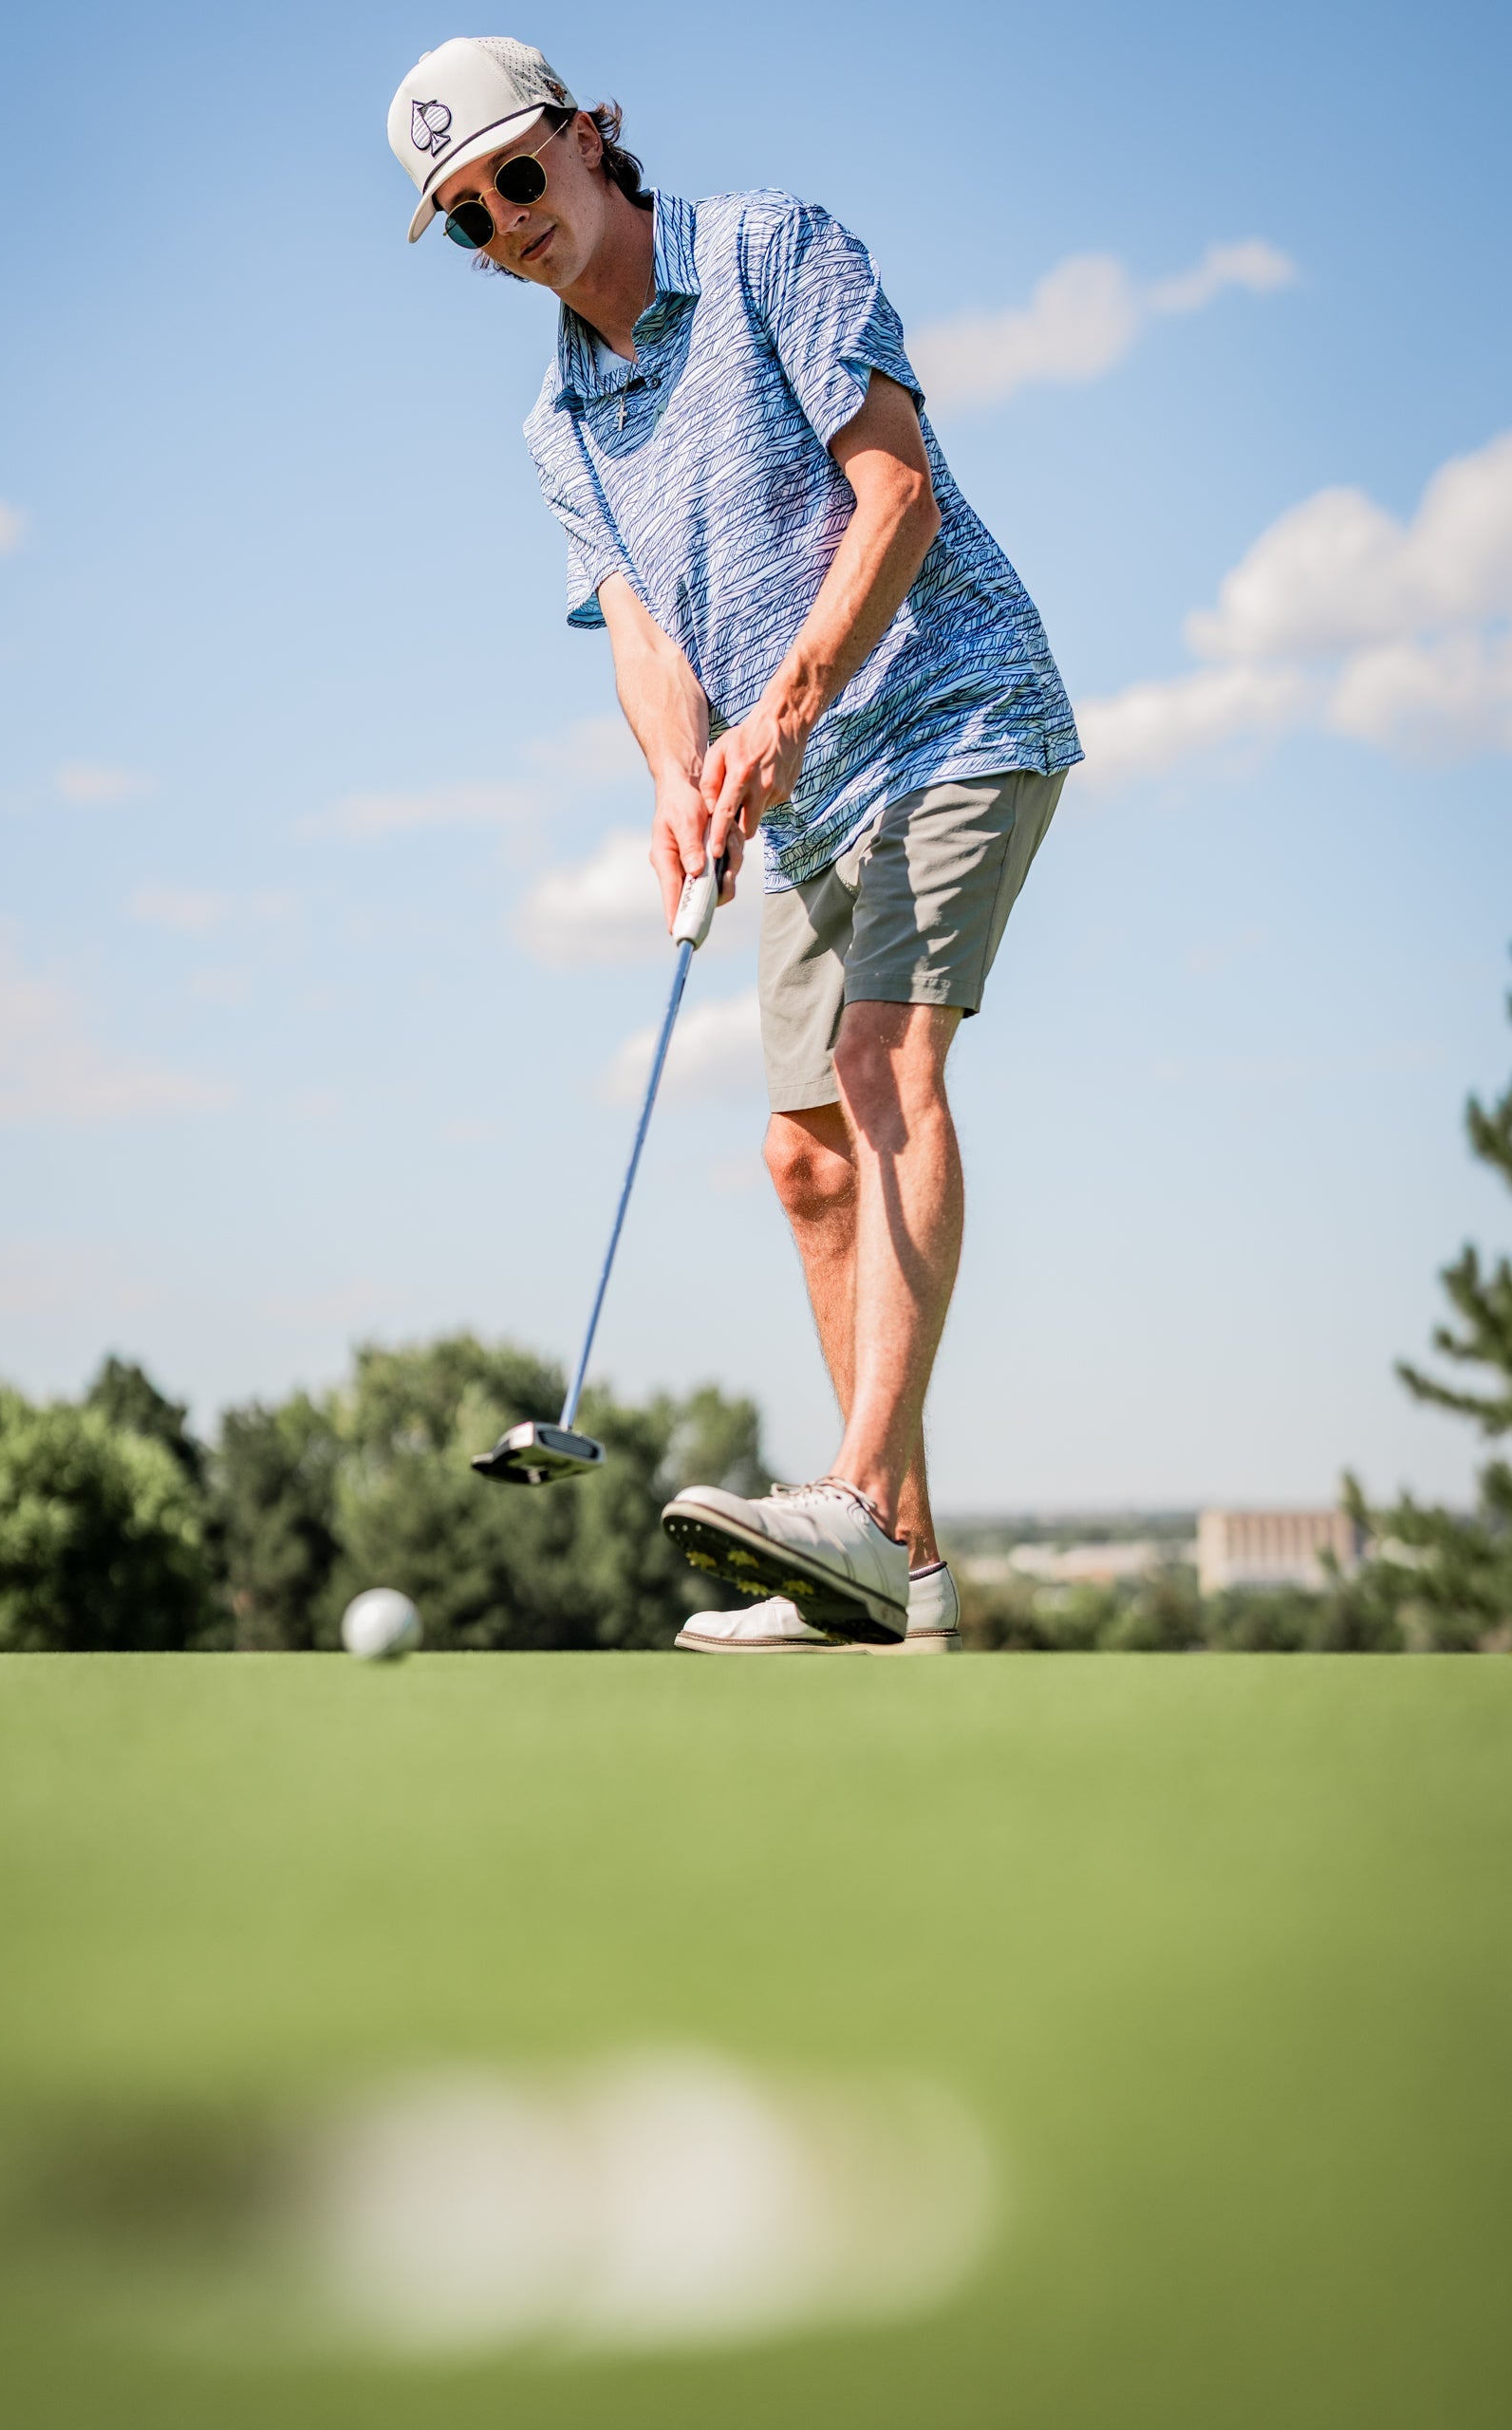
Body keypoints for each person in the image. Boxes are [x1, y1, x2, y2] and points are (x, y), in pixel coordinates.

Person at [387, 38, 1081, 1654]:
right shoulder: (562, 421)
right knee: (799, 1156)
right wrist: (676, 779)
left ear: (580, 136)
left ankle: (848, 1501)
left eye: (513, 176)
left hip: (948, 701)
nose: (507, 224)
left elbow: (896, 492)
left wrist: (781, 713)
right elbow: (643, 644)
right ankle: (889, 1566)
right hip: (803, 789)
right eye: (468, 219)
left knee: (884, 1063)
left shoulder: (772, 248)